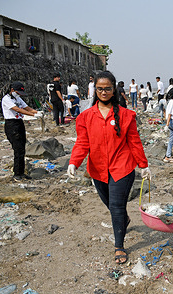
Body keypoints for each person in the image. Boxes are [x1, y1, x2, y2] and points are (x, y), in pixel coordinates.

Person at [67, 71, 151, 264]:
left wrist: (143, 165)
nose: (103, 92)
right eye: (100, 89)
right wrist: (74, 162)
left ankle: (119, 246)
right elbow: (82, 143)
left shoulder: (127, 115)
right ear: (94, 90)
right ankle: (124, 220)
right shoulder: (85, 117)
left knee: (116, 206)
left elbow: (134, 142)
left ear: (114, 90)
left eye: (107, 89)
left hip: (122, 167)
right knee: (111, 205)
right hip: (98, 169)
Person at [1, 81, 40, 181]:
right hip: (11, 124)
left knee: (22, 148)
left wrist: (38, 112)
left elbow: (26, 108)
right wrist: (33, 115)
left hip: (19, 123)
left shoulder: (18, 98)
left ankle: (21, 172)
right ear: (12, 90)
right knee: (18, 149)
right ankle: (17, 173)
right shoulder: (6, 99)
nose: (19, 95)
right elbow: (17, 109)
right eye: (18, 92)